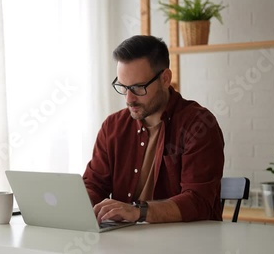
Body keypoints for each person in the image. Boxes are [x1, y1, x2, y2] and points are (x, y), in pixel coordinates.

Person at [83, 35, 225, 224]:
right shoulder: (113, 126)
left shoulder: (198, 124)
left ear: (165, 78)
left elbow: (199, 201)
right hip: (126, 241)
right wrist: (78, 206)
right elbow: (94, 184)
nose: (129, 99)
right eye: (123, 87)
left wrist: (138, 211)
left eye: (138, 87)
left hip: (187, 243)